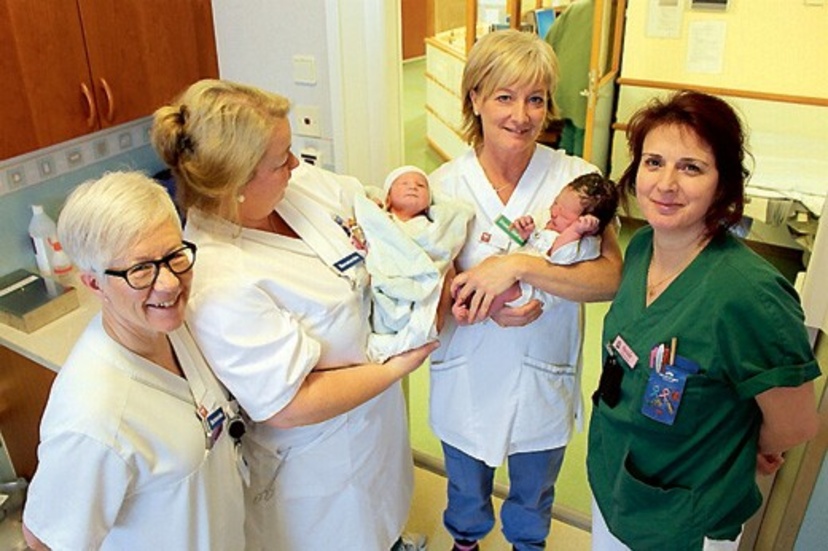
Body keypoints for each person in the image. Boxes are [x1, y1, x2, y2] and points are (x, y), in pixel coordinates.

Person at [151, 79, 436, 551]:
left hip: (374, 425)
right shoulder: (220, 281)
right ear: (237, 184)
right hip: (320, 464)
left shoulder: (296, 188)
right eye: (280, 159)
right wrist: (400, 363)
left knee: (385, 521)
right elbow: (290, 404)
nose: (295, 164)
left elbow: (364, 201)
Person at [587, 90, 821, 550]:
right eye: (653, 162)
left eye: (691, 167)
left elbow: (796, 425)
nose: (666, 183)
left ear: (723, 184)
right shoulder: (640, 249)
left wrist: (736, 450)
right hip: (617, 481)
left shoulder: (748, 295)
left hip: (685, 517)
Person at [428, 30, 623, 551]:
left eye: (535, 99)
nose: (522, 115)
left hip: (543, 369)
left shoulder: (578, 180)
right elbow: (429, 286)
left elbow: (610, 278)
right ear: (474, 98)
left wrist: (519, 267)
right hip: (467, 365)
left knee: (534, 494)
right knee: (465, 488)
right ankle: (465, 543)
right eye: (504, 96)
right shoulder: (445, 185)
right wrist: (483, 304)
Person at [22, 172, 246, 550]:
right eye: (140, 270)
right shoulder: (92, 417)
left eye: (174, 255)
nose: (170, 283)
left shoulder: (171, 327)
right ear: (94, 284)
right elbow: (45, 540)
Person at [452, 171, 618, 324]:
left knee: (504, 292)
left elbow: (559, 256)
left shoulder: (585, 243)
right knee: (487, 267)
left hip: (530, 290)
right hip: (512, 278)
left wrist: (574, 232)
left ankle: (472, 315)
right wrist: (526, 233)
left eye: (564, 215)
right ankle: (463, 294)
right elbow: (533, 245)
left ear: (589, 227)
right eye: (555, 203)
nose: (554, 212)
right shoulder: (554, 223)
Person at [354, 165, 473, 362]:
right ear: (388, 198)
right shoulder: (382, 222)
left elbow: (442, 255)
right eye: (403, 183)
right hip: (385, 284)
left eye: (421, 185)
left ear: (429, 203)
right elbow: (369, 235)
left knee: (427, 317)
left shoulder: (433, 230)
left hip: (422, 289)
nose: (413, 187)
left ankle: (408, 338)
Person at [545, 0, 594, 157]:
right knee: (582, 135)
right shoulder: (608, 14)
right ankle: (576, 177)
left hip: (565, 83)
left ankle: (562, 170)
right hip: (586, 86)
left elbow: (548, 42)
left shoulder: (575, 8)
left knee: (569, 128)